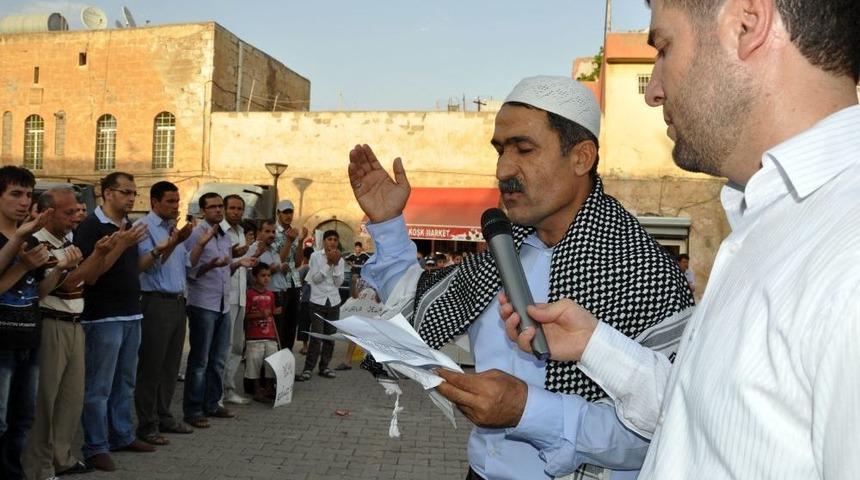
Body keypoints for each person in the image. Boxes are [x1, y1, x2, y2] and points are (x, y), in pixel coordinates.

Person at [504, 1, 860, 478]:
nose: (653, 91)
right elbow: (701, 417)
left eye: (664, 48)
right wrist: (595, 346)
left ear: (746, 24)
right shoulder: (771, 220)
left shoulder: (845, 250)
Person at [347, 75, 693, 479]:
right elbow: (417, 309)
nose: (503, 168)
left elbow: (666, 430)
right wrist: (388, 224)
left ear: (581, 157)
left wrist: (528, 410)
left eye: (524, 149)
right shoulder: (502, 253)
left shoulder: (646, 273)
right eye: (500, 149)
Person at [22, 187, 108, 480]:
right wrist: (64, 267)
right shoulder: (37, 243)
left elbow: (86, 279)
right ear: (48, 213)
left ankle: (62, 457)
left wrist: (100, 253)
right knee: (46, 400)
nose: (76, 217)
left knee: (71, 398)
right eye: (68, 212)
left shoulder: (67, 240)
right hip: (51, 323)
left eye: (77, 211)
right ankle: (39, 466)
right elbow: (48, 288)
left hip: (74, 323)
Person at [73, 172, 152, 472]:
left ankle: (121, 434)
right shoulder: (91, 227)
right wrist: (120, 243)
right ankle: (95, 446)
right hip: (103, 316)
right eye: (125, 192)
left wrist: (156, 250)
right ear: (106, 193)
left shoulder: (128, 226)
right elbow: (92, 274)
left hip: (132, 312)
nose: (131, 198)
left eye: (134, 192)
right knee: (99, 386)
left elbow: (132, 268)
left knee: (125, 382)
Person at [0, 168, 74, 480]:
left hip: (29, 339)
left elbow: (37, 292)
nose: (24, 201)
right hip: (1, 343)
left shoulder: (29, 238)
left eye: (28, 195)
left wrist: (60, 269)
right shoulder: (19, 238)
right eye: (15, 194)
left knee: (22, 420)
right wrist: (21, 257)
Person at [182, 192, 254, 429]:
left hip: (223, 303)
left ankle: (213, 403)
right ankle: (193, 410)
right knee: (200, 360)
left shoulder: (223, 236)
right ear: (203, 210)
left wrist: (237, 263)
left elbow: (226, 271)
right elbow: (190, 272)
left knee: (218, 358)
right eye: (212, 207)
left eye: (220, 206)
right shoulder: (196, 235)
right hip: (203, 303)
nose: (218, 210)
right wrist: (211, 264)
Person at [134, 181, 194, 447]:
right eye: (170, 201)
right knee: (151, 366)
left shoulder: (174, 230)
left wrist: (188, 241)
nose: (175, 206)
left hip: (178, 302)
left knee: (171, 365)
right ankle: (147, 424)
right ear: (154, 202)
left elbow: (183, 267)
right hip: (155, 303)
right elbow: (147, 267)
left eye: (177, 201)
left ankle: (164, 415)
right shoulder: (144, 229)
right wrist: (172, 243)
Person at [296, 229, 345, 381]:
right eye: (329, 239)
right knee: (316, 337)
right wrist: (328, 264)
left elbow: (338, 283)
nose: (332, 242)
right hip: (317, 301)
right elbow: (315, 279)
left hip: (333, 303)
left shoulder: (341, 260)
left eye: (335, 240)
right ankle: (308, 368)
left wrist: (335, 264)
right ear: (324, 241)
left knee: (330, 338)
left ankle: (324, 366)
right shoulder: (315, 256)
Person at [220, 194, 252, 406]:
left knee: (237, 347)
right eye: (232, 208)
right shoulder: (220, 231)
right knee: (224, 346)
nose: (236, 212)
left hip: (240, 296)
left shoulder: (241, 232)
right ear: (224, 209)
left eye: (240, 208)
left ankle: (229, 389)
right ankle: (217, 393)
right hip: (224, 297)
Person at [244, 262, 281, 403]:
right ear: (254, 277)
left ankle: (270, 387)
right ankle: (257, 390)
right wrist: (260, 315)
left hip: (270, 335)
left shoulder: (270, 294)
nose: (266, 278)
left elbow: (270, 314)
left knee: (271, 362)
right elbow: (246, 315)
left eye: (268, 275)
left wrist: (273, 312)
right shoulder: (249, 294)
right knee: (254, 363)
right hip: (254, 336)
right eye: (262, 275)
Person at [272, 200, 306, 351]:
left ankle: (286, 363)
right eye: (285, 212)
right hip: (279, 284)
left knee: (291, 326)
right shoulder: (272, 232)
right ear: (278, 213)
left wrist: (300, 242)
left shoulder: (293, 232)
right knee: (279, 324)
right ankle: (274, 364)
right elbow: (278, 260)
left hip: (294, 283)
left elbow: (298, 263)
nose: (288, 215)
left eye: (290, 212)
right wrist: (289, 241)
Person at [296, 246, 314, 355]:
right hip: (317, 299)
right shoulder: (316, 267)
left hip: (306, 299)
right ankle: (314, 346)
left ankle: (305, 347)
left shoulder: (305, 268)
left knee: (304, 323)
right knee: (316, 325)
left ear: (304, 257)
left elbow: (298, 281)